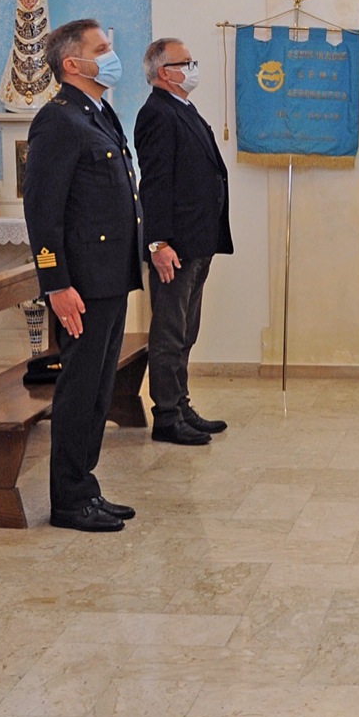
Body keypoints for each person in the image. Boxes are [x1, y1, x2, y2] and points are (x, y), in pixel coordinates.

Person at [23, 18, 143, 532]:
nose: (111, 55)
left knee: (98, 389)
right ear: (73, 64)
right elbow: (43, 212)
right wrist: (55, 284)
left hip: (110, 276)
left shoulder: (98, 115)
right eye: (102, 48)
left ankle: (85, 485)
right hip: (83, 284)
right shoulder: (57, 121)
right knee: (79, 389)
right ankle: (68, 500)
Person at [135, 37, 232, 445]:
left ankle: (181, 403)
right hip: (175, 244)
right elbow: (155, 184)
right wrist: (158, 243)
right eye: (185, 62)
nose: (193, 67)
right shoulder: (157, 113)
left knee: (186, 329)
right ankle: (167, 415)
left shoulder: (182, 108)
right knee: (170, 331)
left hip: (197, 239)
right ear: (163, 72)